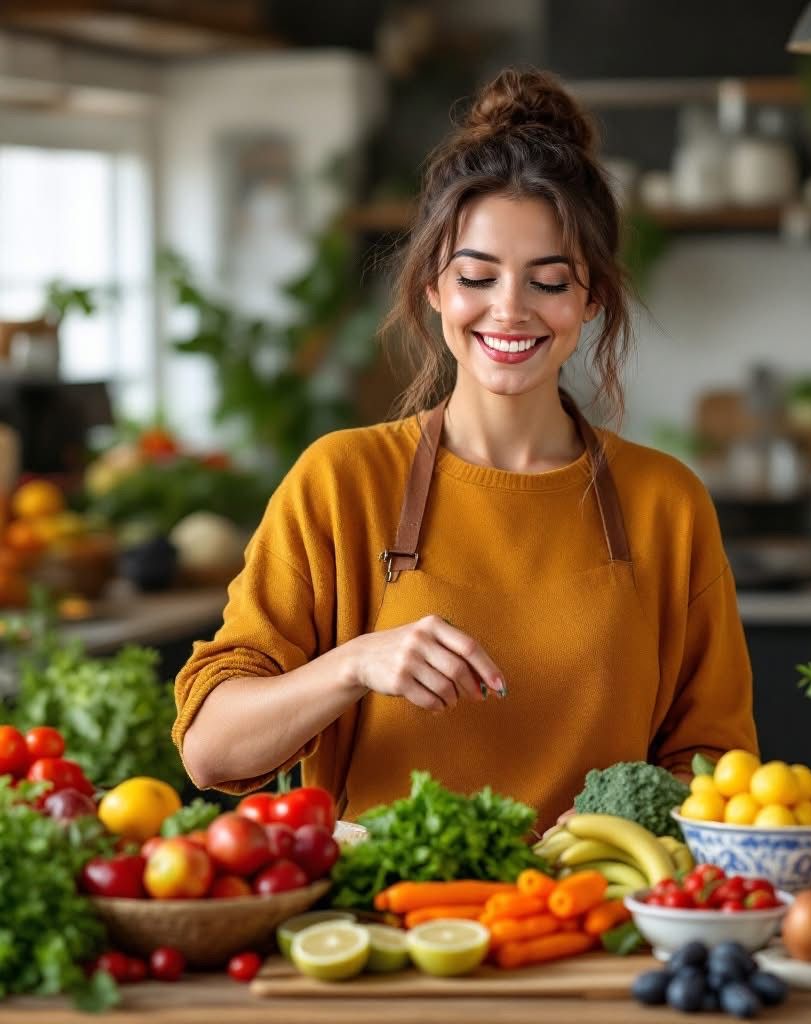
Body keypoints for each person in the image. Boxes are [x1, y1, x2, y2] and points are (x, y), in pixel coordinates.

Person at [173, 68, 757, 834]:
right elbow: (211, 753)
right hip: (387, 930)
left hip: (590, 923)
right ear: (434, 291)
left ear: (592, 299)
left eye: (548, 282)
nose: (508, 309)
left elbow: (716, 765)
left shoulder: (665, 502)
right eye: (477, 277)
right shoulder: (341, 482)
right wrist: (354, 665)